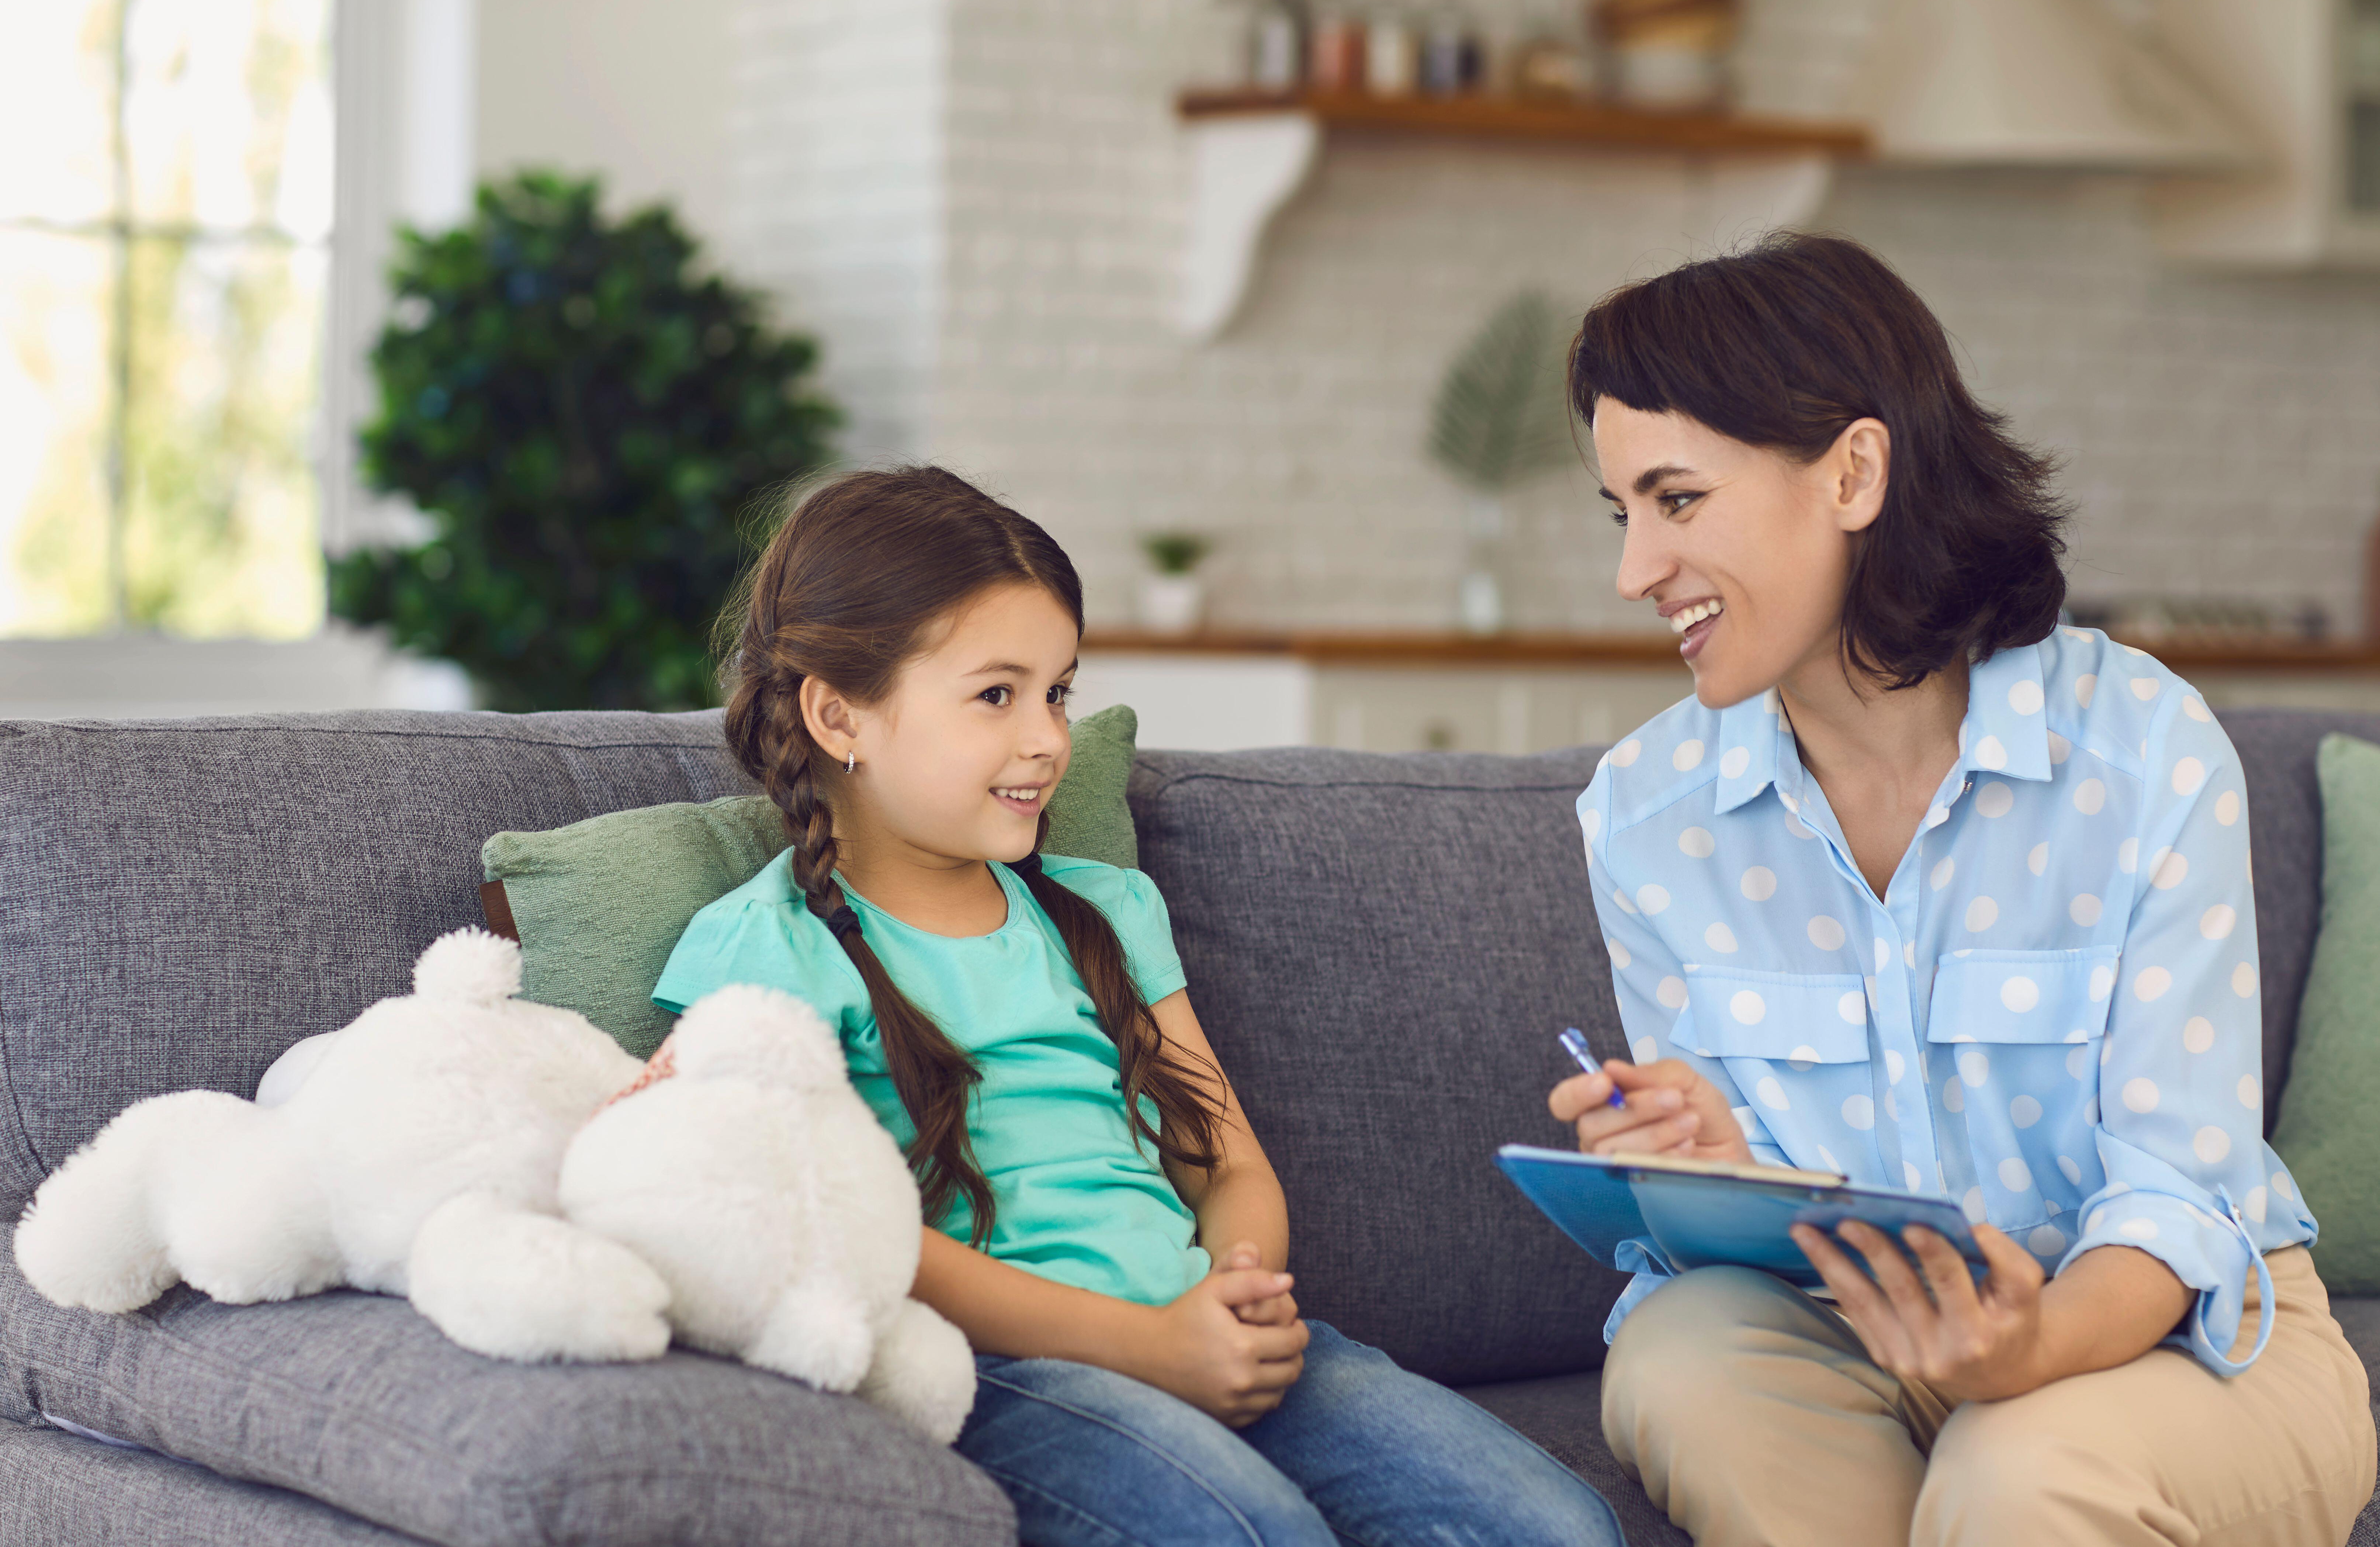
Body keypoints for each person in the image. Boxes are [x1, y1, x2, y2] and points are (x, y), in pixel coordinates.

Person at [1551, 233, 2375, 1547]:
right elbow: (1784, 1229)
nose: (1635, 571)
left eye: (1678, 501)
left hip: (2174, 1341)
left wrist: (2024, 1351)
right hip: (1860, 1332)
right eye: (1624, 515)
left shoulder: (2142, 751)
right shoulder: (1646, 820)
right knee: (1678, 1359)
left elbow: (2179, 1195)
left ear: (1854, 473)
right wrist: (1718, 1168)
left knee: (2016, 1475)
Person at [655, 467, 1625, 1547]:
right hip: (1007, 1376)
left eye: (1058, 692)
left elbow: (1230, 1165)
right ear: (841, 714)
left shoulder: (1108, 912)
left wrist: (1237, 1297)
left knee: (1558, 1526)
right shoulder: (767, 950)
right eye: (996, 694)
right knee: (1247, 1532)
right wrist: (1147, 1348)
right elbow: (851, 1237)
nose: (1047, 741)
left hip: (1197, 1320)